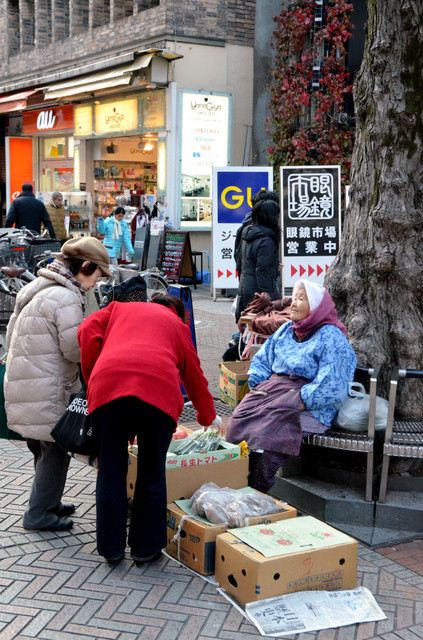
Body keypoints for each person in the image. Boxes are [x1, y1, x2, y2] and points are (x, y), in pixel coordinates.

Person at [77, 293, 221, 565]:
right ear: (176, 311)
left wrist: (94, 374)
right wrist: (206, 416)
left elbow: (86, 331)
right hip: (157, 395)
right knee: (152, 471)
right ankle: (145, 549)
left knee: (110, 469)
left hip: (108, 391)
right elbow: (193, 372)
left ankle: (111, 548)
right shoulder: (176, 325)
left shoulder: (118, 308)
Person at [4, 237, 111, 531]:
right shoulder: (65, 297)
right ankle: (38, 514)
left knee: (43, 448)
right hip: (47, 387)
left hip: (26, 381)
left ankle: (48, 502)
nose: (94, 284)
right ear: (85, 267)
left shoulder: (37, 286)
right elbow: (74, 349)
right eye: (96, 276)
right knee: (55, 449)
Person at [226, 279, 357, 493]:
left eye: (301, 299)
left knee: (268, 436)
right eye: (294, 298)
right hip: (272, 391)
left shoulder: (332, 338)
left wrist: (299, 400)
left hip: (310, 403)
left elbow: (333, 384)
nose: (294, 304)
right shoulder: (287, 329)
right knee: (237, 423)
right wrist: (258, 386)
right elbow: (263, 360)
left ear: (316, 307)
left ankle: (257, 492)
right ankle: (235, 482)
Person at [235, 198, 280, 322]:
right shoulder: (266, 240)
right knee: (261, 329)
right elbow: (263, 272)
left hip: (246, 287)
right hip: (259, 292)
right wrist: (268, 299)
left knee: (248, 327)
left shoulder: (248, 233)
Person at [234, 189, 279, 280]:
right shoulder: (262, 232)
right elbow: (262, 268)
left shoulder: (246, 227)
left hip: (247, 281)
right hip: (260, 284)